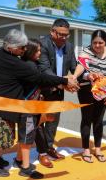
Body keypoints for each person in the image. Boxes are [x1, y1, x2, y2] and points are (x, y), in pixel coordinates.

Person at [0, 29, 78, 178]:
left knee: (1, 134)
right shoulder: (13, 62)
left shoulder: (3, 52)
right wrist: (64, 80)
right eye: (22, 47)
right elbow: (40, 78)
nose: (24, 50)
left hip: (0, 102)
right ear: (11, 47)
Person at [35, 18, 77, 168]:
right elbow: (44, 70)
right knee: (40, 122)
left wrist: (81, 78)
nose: (64, 38)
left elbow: (74, 66)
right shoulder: (43, 44)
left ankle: (49, 147)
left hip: (59, 91)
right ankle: (42, 153)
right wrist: (65, 83)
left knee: (53, 121)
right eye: (61, 34)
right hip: (42, 90)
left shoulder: (69, 46)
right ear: (52, 31)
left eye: (67, 35)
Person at [73, 30, 106, 163]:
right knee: (86, 118)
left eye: (100, 43)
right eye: (94, 43)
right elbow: (81, 66)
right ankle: (86, 149)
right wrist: (75, 77)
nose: (97, 45)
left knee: (99, 120)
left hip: (103, 90)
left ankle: (97, 148)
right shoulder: (86, 52)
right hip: (86, 89)